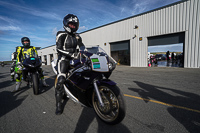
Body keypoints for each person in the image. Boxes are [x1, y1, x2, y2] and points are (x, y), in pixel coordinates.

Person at [55, 14, 85, 115]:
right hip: (64, 60)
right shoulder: (61, 34)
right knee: (61, 81)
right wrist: (71, 54)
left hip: (75, 59)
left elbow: (82, 47)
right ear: (66, 24)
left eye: (74, 25)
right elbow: (58, 49)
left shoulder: (78, 36)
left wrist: (84, 52)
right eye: (71, 24)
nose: (73, 26)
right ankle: (58, 105)